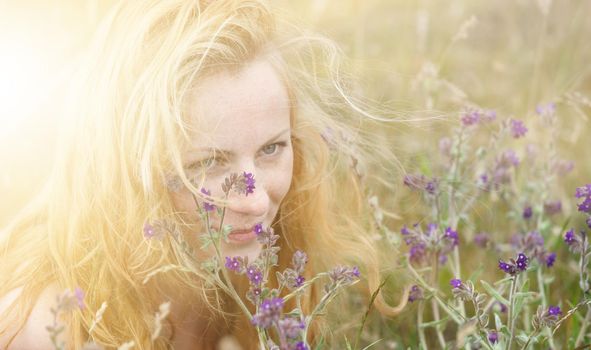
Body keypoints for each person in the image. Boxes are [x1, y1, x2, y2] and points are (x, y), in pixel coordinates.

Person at [0, 0, 407, 349]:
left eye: (271, 149)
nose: (255, 201)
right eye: (207, 163)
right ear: (125, 172)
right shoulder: (46, 329)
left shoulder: (261, 287)